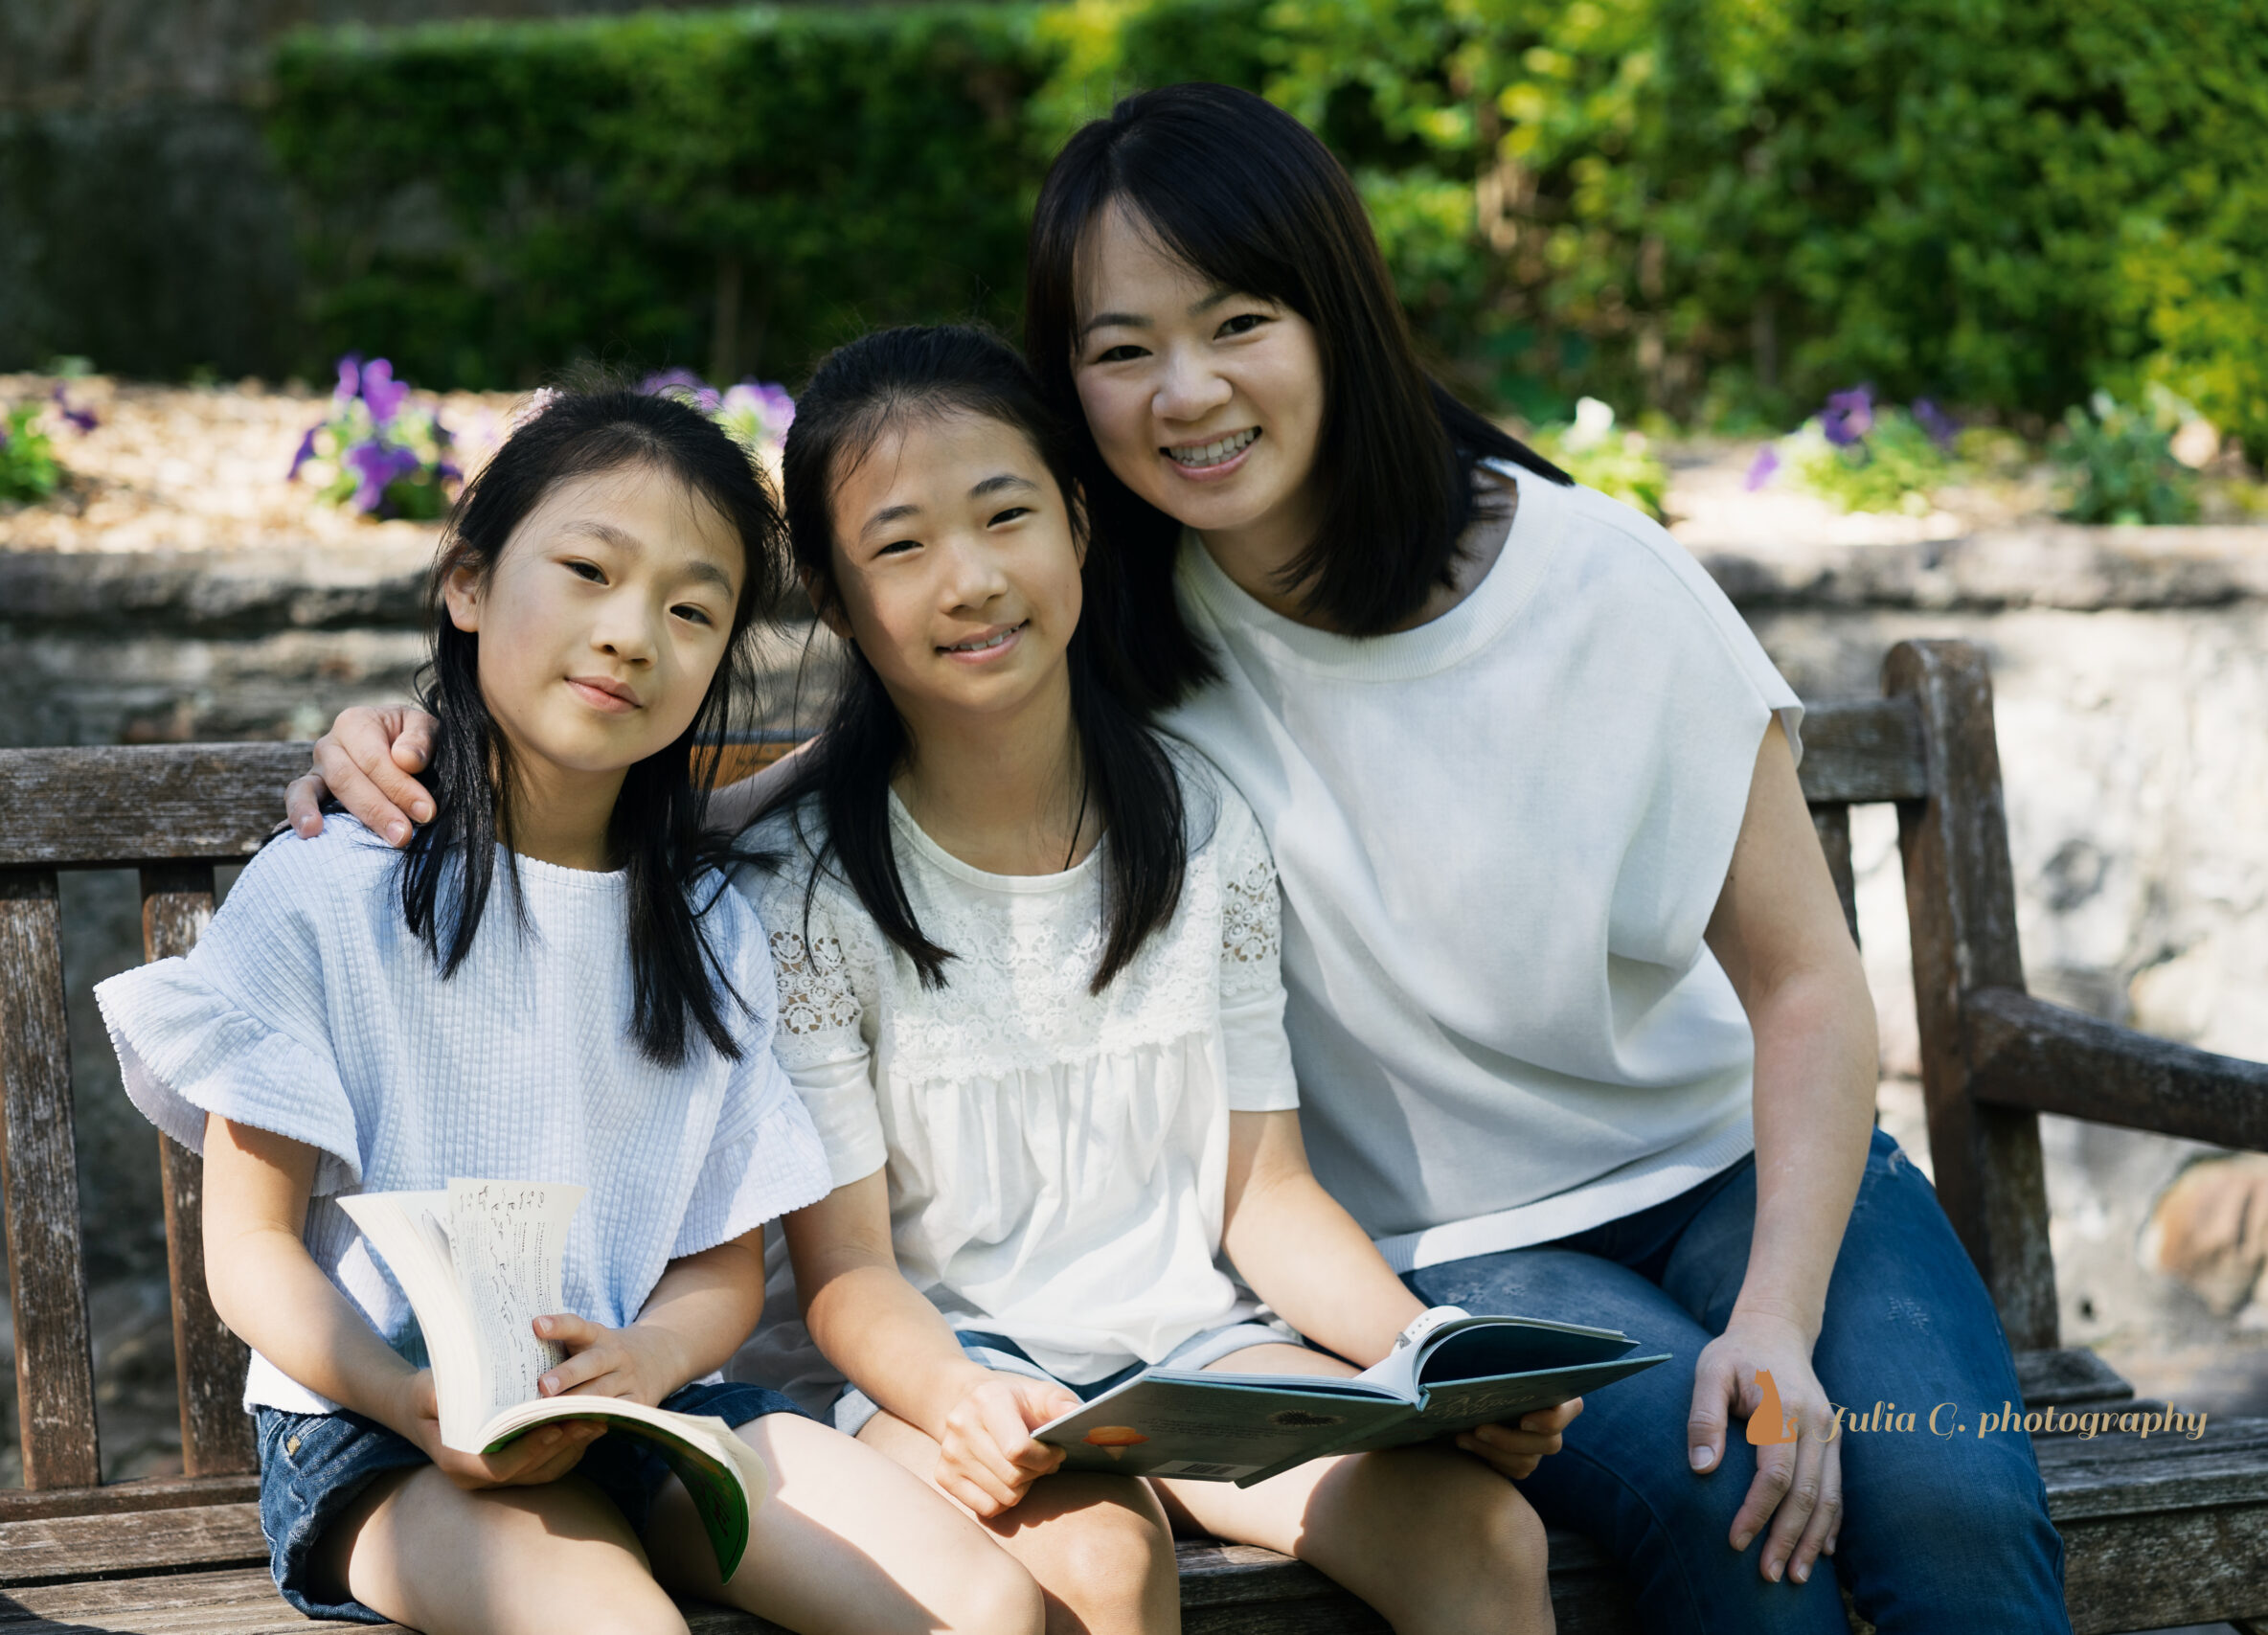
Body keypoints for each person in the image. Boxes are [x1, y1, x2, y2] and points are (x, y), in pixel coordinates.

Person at [286, 85, 2073, 1635]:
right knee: (1720, 1481)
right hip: (1470, 1244)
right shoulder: (1127, 609)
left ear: (1336, 315)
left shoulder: (1596, 585)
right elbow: (851, 766)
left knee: (1949, 1500)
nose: (1186, 394)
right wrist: (446, 753)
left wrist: (1772, 1316)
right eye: (1122, 350)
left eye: (1237, 323)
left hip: (1736, 1171)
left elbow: (1807, 986)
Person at [102, 383, 1041, 1635]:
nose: (631, 632)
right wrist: (402, 1393)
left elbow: (716, 1269)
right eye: (589, 571)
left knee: (986, 1608)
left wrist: (645, 1363)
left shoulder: (710, 931)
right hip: (378, 1438)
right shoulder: (331, 892)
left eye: (691, 608)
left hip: (641, 1411)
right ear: (470, 586)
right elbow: (252, 1251)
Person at [733, 324, 1565, 1635]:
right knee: (1105, 1560)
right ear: (835, 600)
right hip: (949, 1375)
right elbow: (846, 1275)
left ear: (1077, 522)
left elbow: (1265, 1195)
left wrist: (1421, 1357)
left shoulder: (1197, 821)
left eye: (1006, 515)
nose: (970, 580)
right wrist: (956, 1399)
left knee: (1484, 1536)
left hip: (1197, 1359)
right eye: (900, 547)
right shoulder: (804, 888)